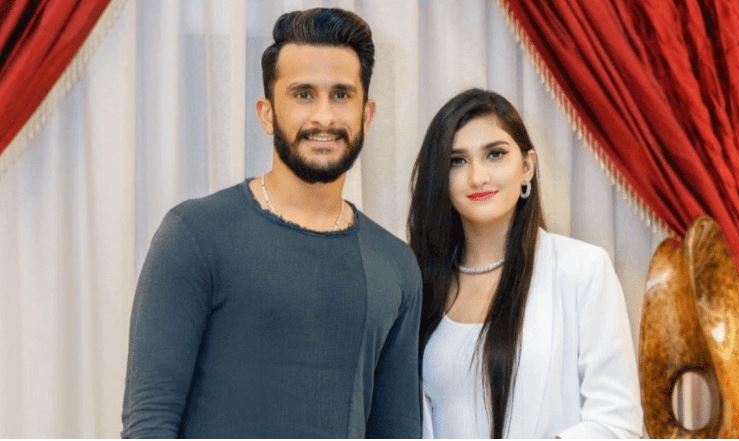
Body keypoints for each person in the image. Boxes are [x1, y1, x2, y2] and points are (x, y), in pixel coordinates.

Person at [121, 8, 422, 438]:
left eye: (341, 95)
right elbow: (149, 422)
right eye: (303, 94)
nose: (324, 116)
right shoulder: (195, 235)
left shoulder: (395, 265)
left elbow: (396, 431)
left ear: (366, 114)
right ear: (266, 113)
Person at [408, 89, 642, 438]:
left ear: (527, 167)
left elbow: (617, 423)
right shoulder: (419, 283)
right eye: (457, 161)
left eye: (495, 154)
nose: (477, 176)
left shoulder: (582, 270)